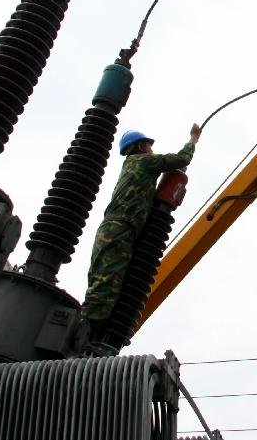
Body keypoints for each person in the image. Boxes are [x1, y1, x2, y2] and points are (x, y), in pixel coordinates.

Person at [81, 122, 202, 332]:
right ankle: (86, 330)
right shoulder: (144, 162)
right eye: (148, 145)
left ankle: (89, 328)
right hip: (120, 229)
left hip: (115, 228)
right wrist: (193, 138)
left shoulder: (132, 165)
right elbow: (181, 159)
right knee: (107, 282)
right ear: (140, 147)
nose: (151, 149)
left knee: (104, 278)